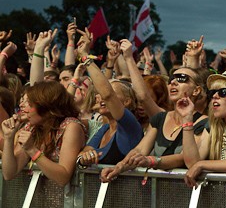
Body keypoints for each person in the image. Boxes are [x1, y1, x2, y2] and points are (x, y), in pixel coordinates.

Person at [100, 67, 209, 181]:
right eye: (171, 78)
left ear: (196, 90)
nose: (173, 82)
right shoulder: (160, 118)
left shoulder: (205, 123)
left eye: (182, 78)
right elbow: (140, 150)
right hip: (155, 192)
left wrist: (151, 161)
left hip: (184, 190)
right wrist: (119, 167)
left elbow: (186, 159)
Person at [1, 81, 86, 187]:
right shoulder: (32, 128)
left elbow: (63, 177)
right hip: (39, 201)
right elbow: (9, 173)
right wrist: (9, 137)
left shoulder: (71, 127)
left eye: (29, 103)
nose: (22, 106)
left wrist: (32, 150)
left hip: (65, 200)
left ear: (46, 106)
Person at [76, 35, 143, 167]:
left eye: (114, 93)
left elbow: (107, 94)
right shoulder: (105, 129)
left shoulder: (130, 126)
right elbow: (83, 153)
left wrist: (85, 57)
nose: (100, 96)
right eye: (98, 94)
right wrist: (83, 158)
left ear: (127, 102)